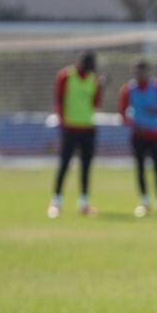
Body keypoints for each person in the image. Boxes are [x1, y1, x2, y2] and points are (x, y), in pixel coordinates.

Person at [49, 51, 104, 218]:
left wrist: (101, 89)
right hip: (70, 128)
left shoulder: (93, 79)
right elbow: (58, 100)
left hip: (87, 128)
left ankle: (84, 203)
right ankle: (56, 202)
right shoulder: (66, 76)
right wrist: (62, 123)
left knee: (86, 168)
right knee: (64, 165)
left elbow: (95, 104)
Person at [119, 60, 157, 217]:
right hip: (138, 136)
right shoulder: (128, 90)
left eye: (141, 72)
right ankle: (144, 202)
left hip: (154, 135)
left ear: (147, 72)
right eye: (136, 72)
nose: (139, 76)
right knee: (140, 169)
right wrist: (134, 125)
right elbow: (122, 116)